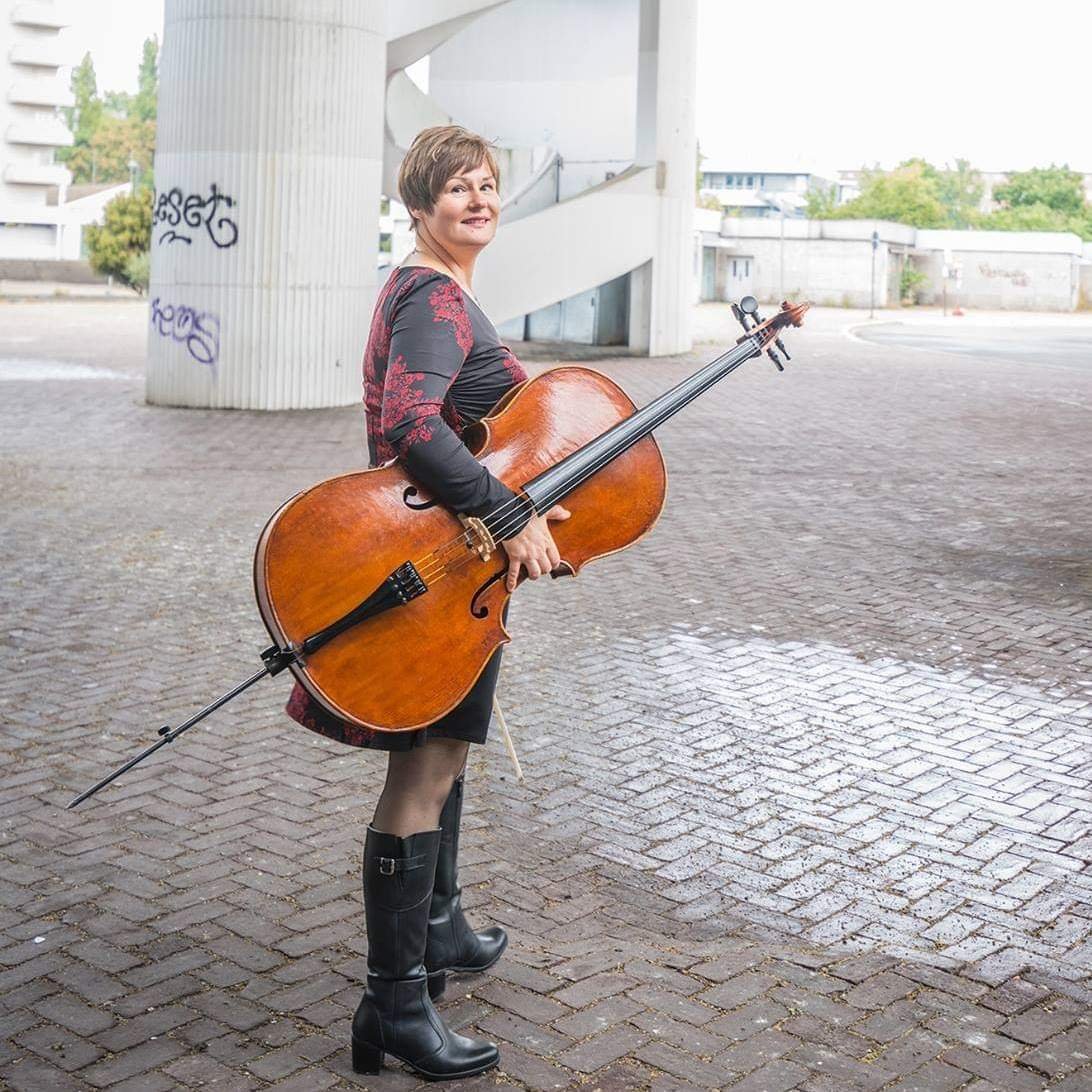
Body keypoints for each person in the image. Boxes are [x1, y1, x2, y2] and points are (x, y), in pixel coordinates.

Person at [284, 125, 570, 1080]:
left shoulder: (435, 292)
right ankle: (394, 1010)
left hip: (450, 558)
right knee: (422, 773)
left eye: (489, 185)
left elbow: (457, 426)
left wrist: (516, 500)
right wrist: (504, 508)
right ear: (419, 207)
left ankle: (435, 935)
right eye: (458, 189)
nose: (479, 200)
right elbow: (410, 422)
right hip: (432, 561)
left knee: (443, 759)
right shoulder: (433, 297)